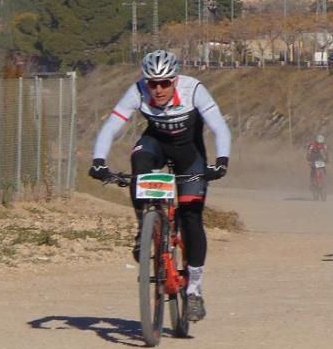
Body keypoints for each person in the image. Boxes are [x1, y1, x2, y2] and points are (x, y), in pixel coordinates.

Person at [88, 49, 231, 322]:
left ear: (175, 80)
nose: (158, 89)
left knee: (191, 218)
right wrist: (98, 161)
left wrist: (221, 162)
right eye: (153, 83)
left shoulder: (194, 90)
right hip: (155, 145)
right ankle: (146, 225)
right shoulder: (138, 91)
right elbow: (111, 126)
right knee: (139, 163)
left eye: (165, 82)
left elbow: (220, 127)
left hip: (190, 154)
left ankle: (194, 290)